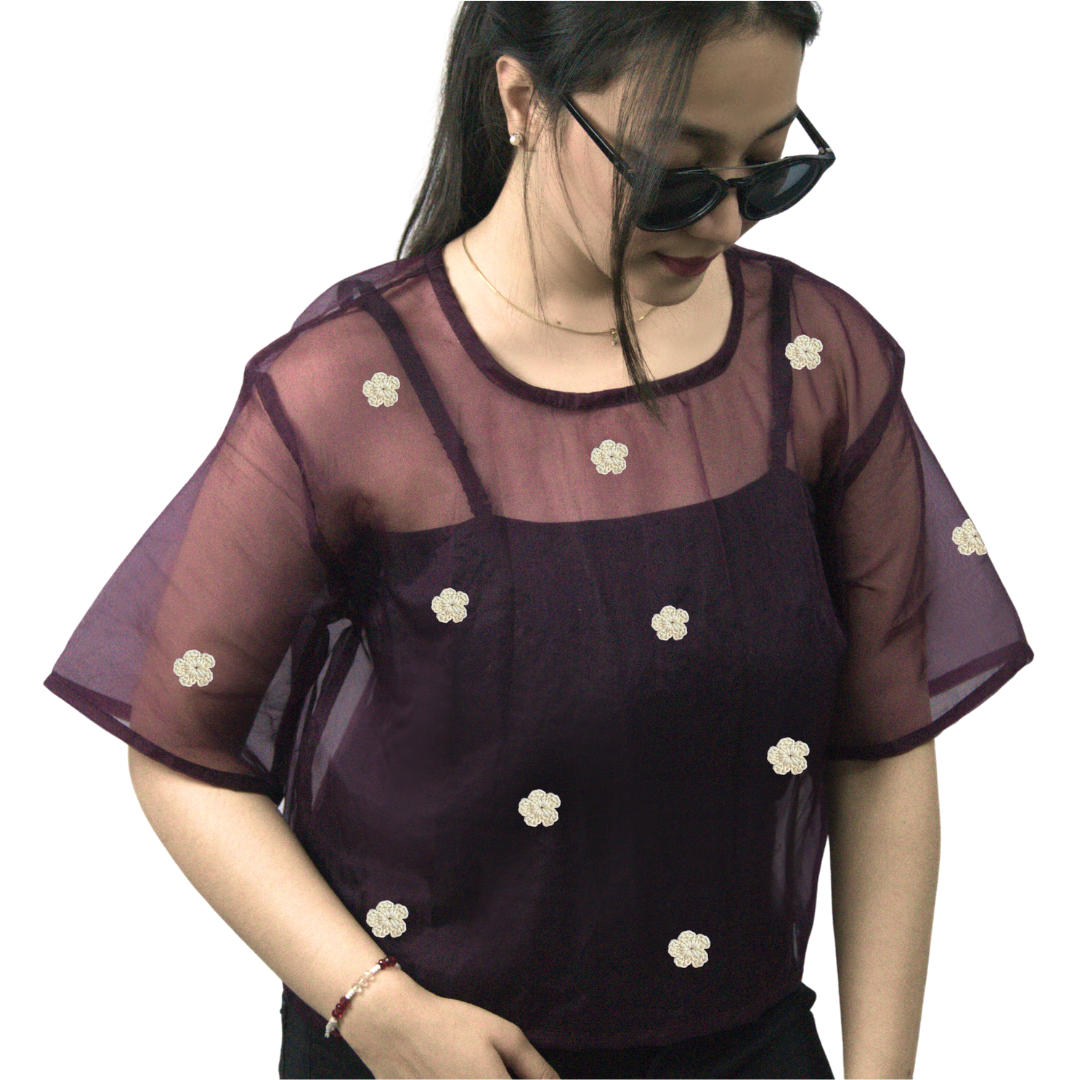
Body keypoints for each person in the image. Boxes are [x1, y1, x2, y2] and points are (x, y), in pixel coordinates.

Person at [43, 2, 1035, 1078]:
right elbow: (181, 748)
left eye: (768, 169)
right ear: (522, 100)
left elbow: (883, 743)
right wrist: (375, 1010)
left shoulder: (816, 362)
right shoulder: (354, 389)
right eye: (676, 174)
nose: (725, 223)